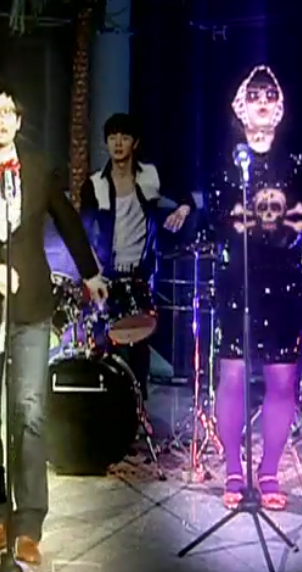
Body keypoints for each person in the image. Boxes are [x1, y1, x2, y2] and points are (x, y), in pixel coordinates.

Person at [0, 80, 107, 566]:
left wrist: (90, 272)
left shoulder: (38, 168)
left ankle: (29, 524)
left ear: (19, 121)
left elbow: (67, 220)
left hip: (31, 308)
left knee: (29, 412)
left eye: (6, 112)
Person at [213, 65, 302, 511]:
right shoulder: (226, 160)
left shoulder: (297, 161)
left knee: (281, 377)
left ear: (280, 107)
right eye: (253, 94)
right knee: (233, 373)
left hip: (283, 279)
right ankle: (233, 470)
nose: (261, 101)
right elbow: (219, 214)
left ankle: (270, 471)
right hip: (239, 280)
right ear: (240, 106)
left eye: (268, 94)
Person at [78, 113, 194, 402]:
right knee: (106, 349)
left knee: (139, 348)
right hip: (107, 276)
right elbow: (83, 230)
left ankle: (139, 411)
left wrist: (182, 210)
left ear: (135, 143)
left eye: (125, 137)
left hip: (140, 275)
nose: (118, 144)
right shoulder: (94, 184)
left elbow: (186, 197)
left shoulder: (150, 176)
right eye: (112, 138)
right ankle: (109, 410)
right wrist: (91, 269)